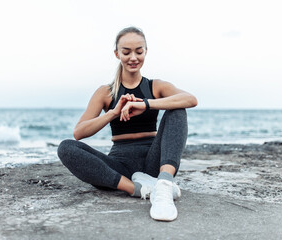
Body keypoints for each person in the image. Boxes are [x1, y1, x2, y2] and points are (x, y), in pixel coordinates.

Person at [58, 26, 197, 221]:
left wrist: (145, 104)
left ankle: (164, 185)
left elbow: (190, 99)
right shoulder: (105, 92)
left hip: (154, 162)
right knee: (66, 148)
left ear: (146, 52)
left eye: (139, 51)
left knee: (178, 108)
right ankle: (138, 189)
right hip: (120, 167)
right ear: (117, 54)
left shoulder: (155, 86)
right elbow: (79, 133)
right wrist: (113, 113)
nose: (133, 57)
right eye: (126, 52)